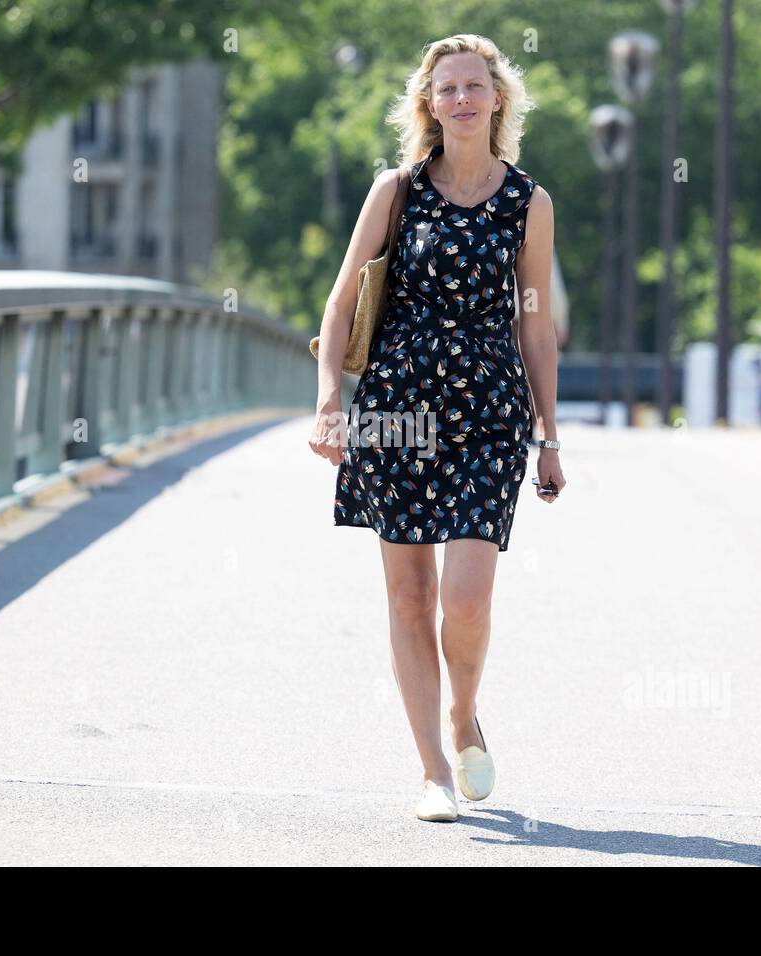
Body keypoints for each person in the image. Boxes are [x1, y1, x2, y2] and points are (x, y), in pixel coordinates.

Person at [307, 34, 564, 822]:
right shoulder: (397, 190)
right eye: (445, 88)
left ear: (497, 100)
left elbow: (533, 325)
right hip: (396, 410)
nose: (460, 99)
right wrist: (328, 401)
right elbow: (343, 300)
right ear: (429, 102)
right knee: (411, 594)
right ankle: (433, 772)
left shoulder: (530, 201)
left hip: (490, 413)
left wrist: (548, 436)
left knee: (468, 598)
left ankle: (464, 713)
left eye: (474, 86)